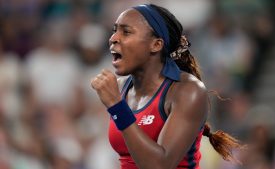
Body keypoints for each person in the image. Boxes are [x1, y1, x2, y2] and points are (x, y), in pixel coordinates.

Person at [91, 4, 244, 169]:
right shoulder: (119, 88)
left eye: (126, 31)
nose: (113, 38)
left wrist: (117, 107)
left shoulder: (187, 91)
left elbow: (160, 165)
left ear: (156, 45)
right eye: (115, 30)